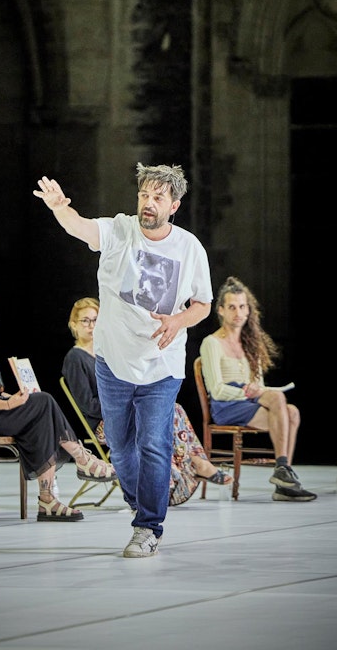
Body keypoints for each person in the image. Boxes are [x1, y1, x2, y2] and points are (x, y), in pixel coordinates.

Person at [34, 163, 213, 558]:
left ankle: (148, 526)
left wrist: (178, 320)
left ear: (174, 205)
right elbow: (81, 227)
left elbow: (202, 304)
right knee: (119, 448)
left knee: (153, 444)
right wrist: (60, 207)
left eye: (158, 197)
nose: (148, 203)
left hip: (162, 363)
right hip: (113, 360)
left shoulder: (189, 247)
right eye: (144, 195)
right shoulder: (119, 230)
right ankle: (140, 501)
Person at [0, 282, 117, 523]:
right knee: (43, 402)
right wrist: (8, 405)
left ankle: (49, 499)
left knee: (40, 411)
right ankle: (80, 459)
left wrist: (15, 399)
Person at [62, 296, 231, 506]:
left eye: (95, 320)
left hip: (125, 411)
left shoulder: (107, 352)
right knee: (161, 414)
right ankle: (190, 468)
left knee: (171, 409)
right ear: (74, 325)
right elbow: (88, 405)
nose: (91, 325)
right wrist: (126, 405)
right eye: (85, 321)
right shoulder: (76, 358)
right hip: (104, 422)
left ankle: (186, 469)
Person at [200, 276, 317, 502]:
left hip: (250, 402)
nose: (238, 312)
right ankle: (283, 473)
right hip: (227, 405)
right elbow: (217, 390)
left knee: (292, 412)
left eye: (242, 306)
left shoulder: (250, 343)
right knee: (279, 399)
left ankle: (284, 477)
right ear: (221, 310)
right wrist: (246, 391)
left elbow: (259, 386)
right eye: (232, 307)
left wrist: (257, 391)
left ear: (248, 310)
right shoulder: (212, 343)